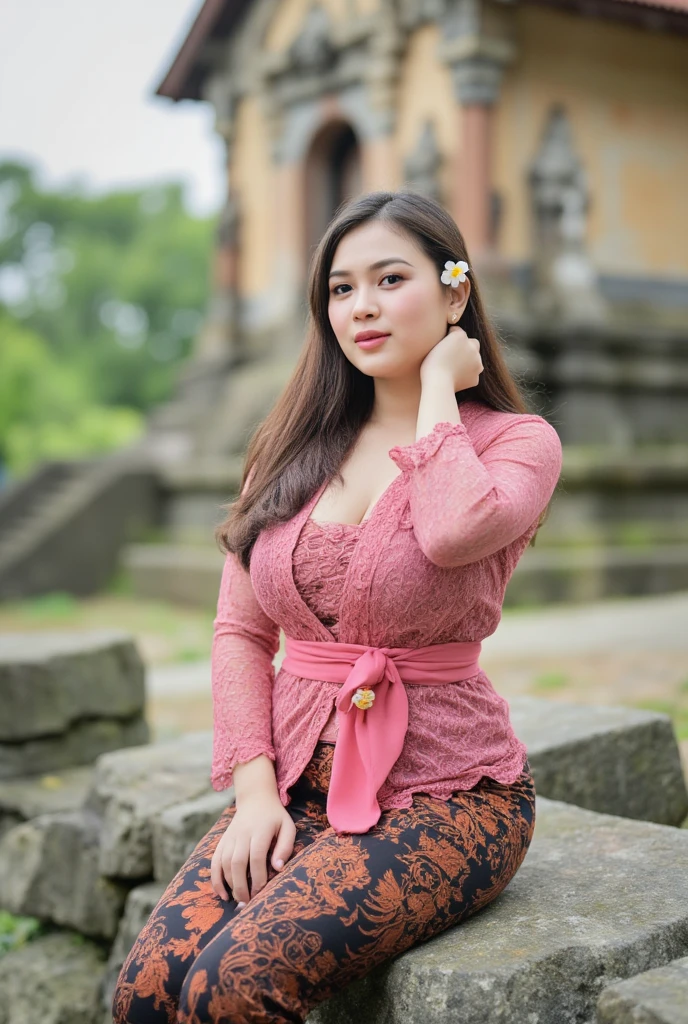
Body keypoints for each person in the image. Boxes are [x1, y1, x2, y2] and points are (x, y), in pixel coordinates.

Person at [112, 189, 563, 1023]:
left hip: (450, 795)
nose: (362, 307)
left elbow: (456, 527)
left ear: (455, 291)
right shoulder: (289, 450)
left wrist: (437, 387)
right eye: (341, 289)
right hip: (293, 785)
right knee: (146, 991)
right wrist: (255, 796)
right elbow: (240, 632)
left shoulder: (517, 443)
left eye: (391, 279)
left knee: (236, 985)